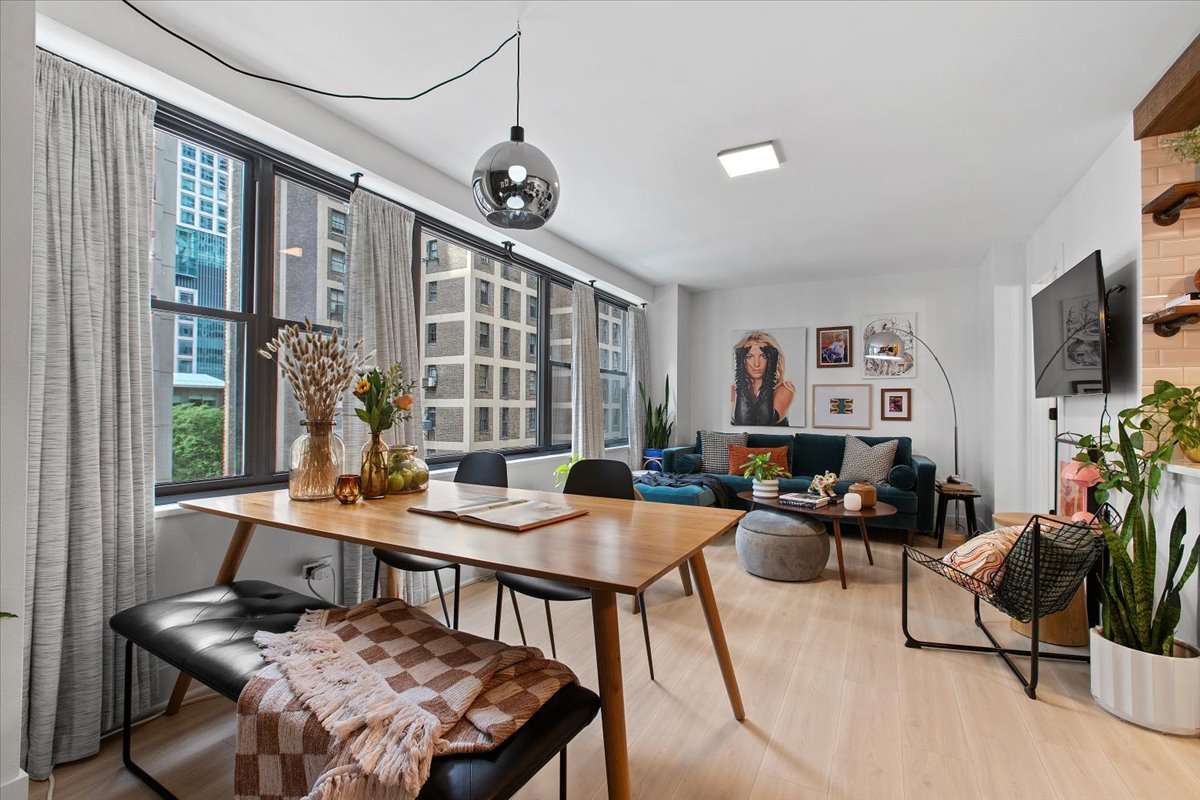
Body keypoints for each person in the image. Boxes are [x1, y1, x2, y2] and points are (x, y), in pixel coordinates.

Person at [730, 331, 795, 425]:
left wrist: (771, 372)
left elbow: (764, 422)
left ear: (773, 358)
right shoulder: (733, 390)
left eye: (763, 356)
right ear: (741, 359)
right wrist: (740, 376)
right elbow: (742, 422)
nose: (756, 364)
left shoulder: (785, 388)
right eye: (749, 357)